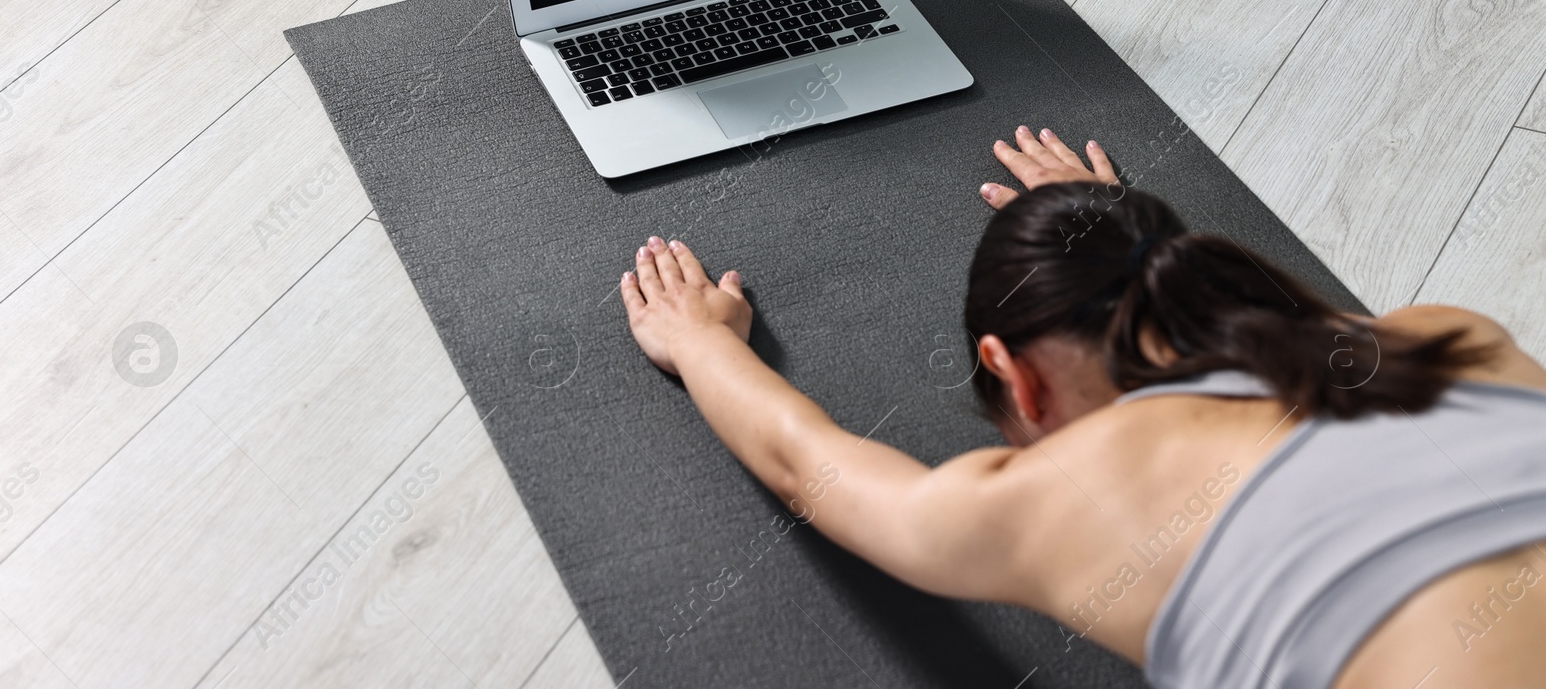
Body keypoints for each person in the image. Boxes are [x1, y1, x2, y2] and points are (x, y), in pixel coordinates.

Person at [617, 125, 1546, 689]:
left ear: (1015, 377)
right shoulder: (1444, 335)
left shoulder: (1065, 499)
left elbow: (804, 463)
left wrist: (700, 339)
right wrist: (1104, 231)